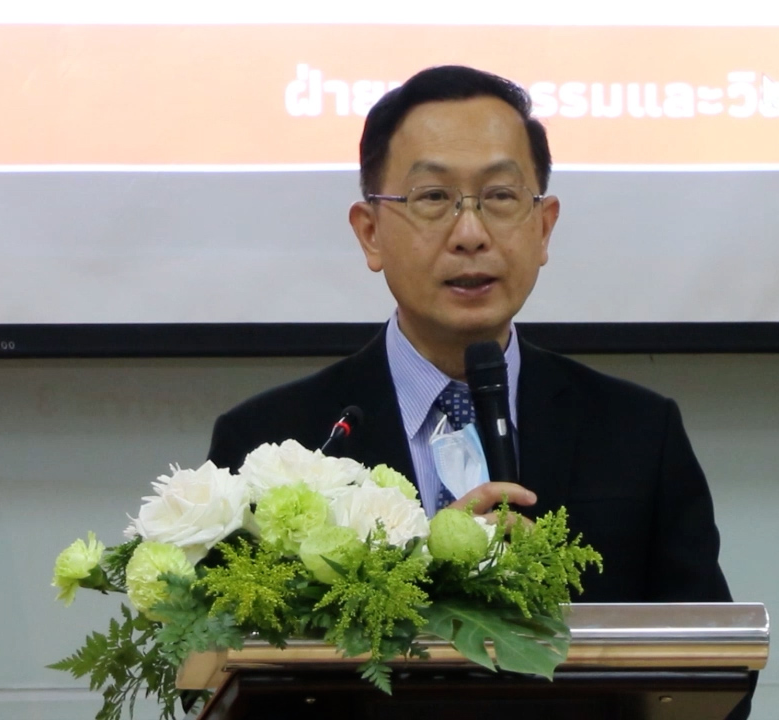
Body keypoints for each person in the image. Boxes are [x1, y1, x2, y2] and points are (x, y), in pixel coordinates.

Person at [207, 65, 731, 605]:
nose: (471, 234)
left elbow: (709, 650)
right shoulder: (271, 443)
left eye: (500, 196)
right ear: (370, 233)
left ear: (543, 227)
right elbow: (223, 651)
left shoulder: (640, 434)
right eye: (434, 197)